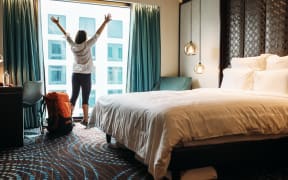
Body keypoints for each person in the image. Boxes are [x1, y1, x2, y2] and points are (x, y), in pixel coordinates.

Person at [50, 13, 112, 126]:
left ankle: (68, 119)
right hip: (86, 75)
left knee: (74, 96)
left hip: (75, 74)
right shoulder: (87, 45)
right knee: (85, 97)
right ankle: (85, 120)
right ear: (85, 38)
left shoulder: (73, 46)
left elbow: (66, 34)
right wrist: (105, 22)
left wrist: (58, 24)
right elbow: (97, 34)